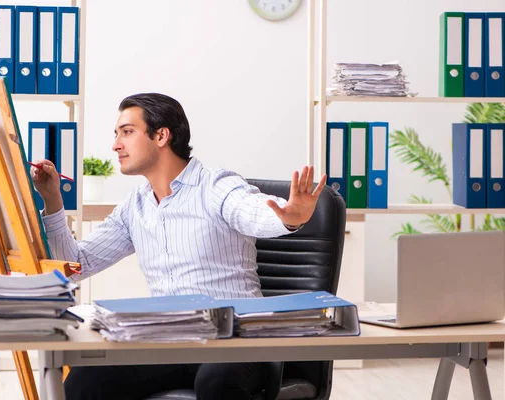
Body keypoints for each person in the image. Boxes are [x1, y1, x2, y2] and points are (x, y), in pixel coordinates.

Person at [32, 93, 328, 400]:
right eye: (117, 134)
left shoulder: (216, 185)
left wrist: (290, 218)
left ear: (161, 136)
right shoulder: (134, 206)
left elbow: (253, 211)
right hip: (169, 341)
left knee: (216, 383)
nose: (116, 144)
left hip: (235, 340)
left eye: (127, 132)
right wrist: (53, 200)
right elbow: (75, 264)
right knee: (84, 382)